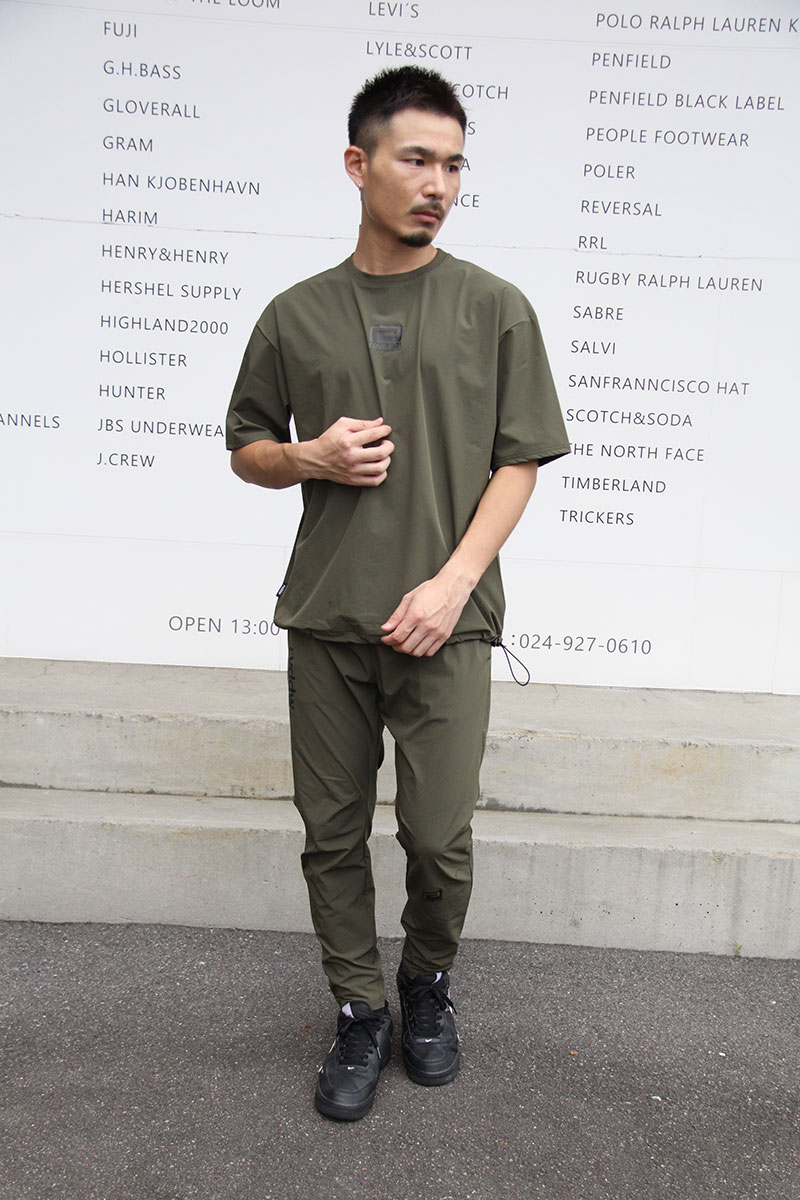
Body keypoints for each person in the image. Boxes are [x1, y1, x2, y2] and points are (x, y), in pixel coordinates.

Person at [225, 65, 570, 1121]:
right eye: (416, 159)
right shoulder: (295, 314)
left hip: (445, 624)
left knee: (436, 836)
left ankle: (425, 983)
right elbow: (246, 446)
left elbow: (519, 459)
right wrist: (309, 457)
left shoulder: (494, 308)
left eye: (454, 165)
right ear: (357, 163)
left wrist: (453, 583)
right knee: (329, 834)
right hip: (327, 618)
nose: (439, 184)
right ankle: (358, 1008)